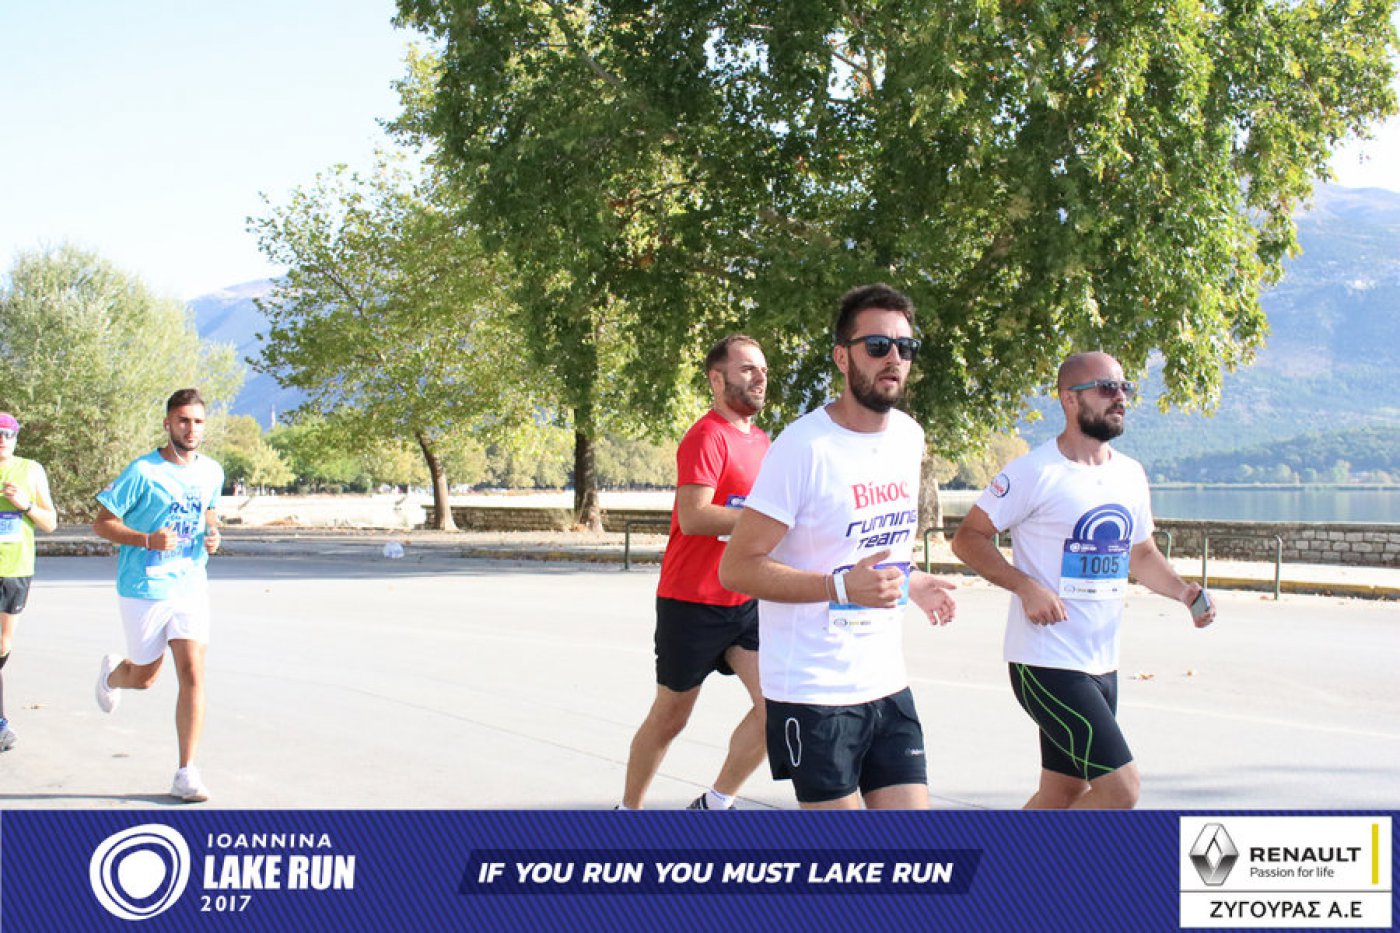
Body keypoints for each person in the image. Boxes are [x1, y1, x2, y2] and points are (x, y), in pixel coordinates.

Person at [719, 284, 958, 810]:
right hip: (813, 691)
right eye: (877, 346)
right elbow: (737, 568)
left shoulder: (908, 437)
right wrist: (840, 588)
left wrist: (912, 581)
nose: (894, 358)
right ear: (842, 357)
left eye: (905, 347)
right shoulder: (804, 448)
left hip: (887, 684)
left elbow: (872, 543)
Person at [950, 351, 1217, 810]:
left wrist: (1182, 591)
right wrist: (1026, 586)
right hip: (1046, 661)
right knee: (1122, 789)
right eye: (1107, 388)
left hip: (1102, 660)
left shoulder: (1129, 473)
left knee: (1062, 793)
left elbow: (1141, 552)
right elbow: (967, 538)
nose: (1120, 398)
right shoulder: (1033, 472)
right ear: (1069, 400)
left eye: (1124, 388)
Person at [619, 335, 771, 810]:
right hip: (692, 602)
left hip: (744, 600)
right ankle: (627, 812)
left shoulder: (763, 441)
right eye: (747, 368)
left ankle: (715, 804)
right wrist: (760, 521)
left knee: (779, 704)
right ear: (716, 379)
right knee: (671, 718)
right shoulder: (706, 436)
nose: (759, 377)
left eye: (763, 369)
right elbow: (695, 516)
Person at [92, 388, 224, 802]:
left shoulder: (212, 471)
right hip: (144, 587)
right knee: (145, 678)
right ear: (168, 424)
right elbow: (102, 523)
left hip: (190, 585)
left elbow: (208, 510)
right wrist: (147, 539)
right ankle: (114, 674)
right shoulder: (143, 472)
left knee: (193, 673)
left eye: (198, 421)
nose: (191, 428)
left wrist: (213, 533)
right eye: (183, 420)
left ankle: (186, 772)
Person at [0, 412, 58, 751]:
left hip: (16, 568)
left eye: (8, 434)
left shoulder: (31, 470)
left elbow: (50, 523)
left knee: (3, 644)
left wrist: (25, 505)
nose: (2, 439)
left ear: (16, 438)